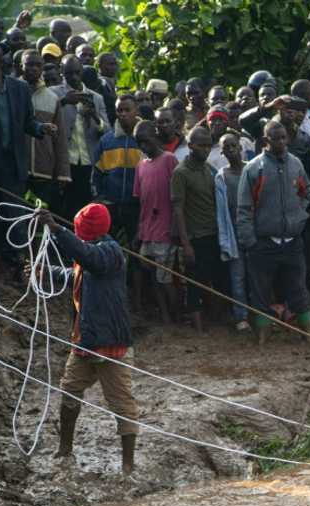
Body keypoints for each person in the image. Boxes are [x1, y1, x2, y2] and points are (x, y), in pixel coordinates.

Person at [35, 204, 138, 475]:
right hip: (86, 340)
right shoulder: (92, 251)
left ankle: (128, 465)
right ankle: (65, 449)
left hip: (111, 343)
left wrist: (57, 230)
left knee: (122, 403)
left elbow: (88, 258)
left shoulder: (109, 252)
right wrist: (49, 273)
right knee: (69, 389)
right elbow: (79, 276)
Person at [0, 43, 57, 276]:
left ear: (0, 63)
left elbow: (27, 121)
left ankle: (18, 259)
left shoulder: (19, 88)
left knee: (14, 212)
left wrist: (40, 128)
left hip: (13, 162)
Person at [236, 119, 310, 345]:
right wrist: (249, 240)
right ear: (266, 141)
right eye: (276, 138)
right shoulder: (254, 168)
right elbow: (244, 208)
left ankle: (308, 335)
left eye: (284, 138)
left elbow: (306, 191)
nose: (282, 142)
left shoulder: (296, 164)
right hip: (263, 241)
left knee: (299, 288)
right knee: (260, 292)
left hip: (292, 240)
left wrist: (299, 214)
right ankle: (262, 336)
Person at [171, 125, 221, 332]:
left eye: (209, 145)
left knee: (214, 279)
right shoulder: (181, 173)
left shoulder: (209, 169)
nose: (206, 149)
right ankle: (198, 328)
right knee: (194, 283)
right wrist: (186, 243)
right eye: (201, 145)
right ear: (190, 146)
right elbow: (178, 209)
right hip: (195, 236)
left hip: (213, 233)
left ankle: (215, 321)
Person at [131, 119, 178, 324]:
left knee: (164, 278)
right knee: (152, 275)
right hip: (148, 230)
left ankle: (177, 312)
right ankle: (165, 314)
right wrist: (139, 233)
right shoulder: (140, 165)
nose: (143, 147)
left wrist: (176, 229)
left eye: (146, 141)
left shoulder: (169, 160)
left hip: (165, 231)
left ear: (156, 137)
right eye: (139, 143)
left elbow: (178, 199)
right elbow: (141, 201)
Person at [51, 53, 107, 221]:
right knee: (64, 210)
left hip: (88, 162)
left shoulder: (96, 98)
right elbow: (43, 120)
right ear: (62, 72)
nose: (74, 77)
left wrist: (95, 116)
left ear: (82, 71)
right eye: (69, 73)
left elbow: (107, 130)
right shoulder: (53, 94)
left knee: (85, 210)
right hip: (64, 162)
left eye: (77, 72)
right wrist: (63, 102)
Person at [21, 48, 69, 211]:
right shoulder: (12, 92)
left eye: (37, 65)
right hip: (18, 168)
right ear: (21, 66)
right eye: (29, 64)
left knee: (41, 216)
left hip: (44, 170)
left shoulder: (52, 98)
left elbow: (60, 138)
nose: (33, 68)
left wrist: (63, 172)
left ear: (42, 68)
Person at [92, 93, 141, 248]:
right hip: (110, 206)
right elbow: (96, 174)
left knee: (136, 250)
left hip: (136, 207)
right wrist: (99, 198)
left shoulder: (145, 137)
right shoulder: (106, 140)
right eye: (119, 110)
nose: (123, 114)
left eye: (127, 110)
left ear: (136, 111)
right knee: (109, 247)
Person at [214, 132, 250, 331]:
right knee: (238, 277)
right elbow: (221, 211)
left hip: (253, 230)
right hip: (233, 231)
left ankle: (260, 312)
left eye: (233, 145)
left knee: (257, 274)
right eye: (226, 147)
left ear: (241, 147)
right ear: (222, 152)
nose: (231, 150)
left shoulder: (252, 169)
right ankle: (241, 317)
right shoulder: (221, 176)